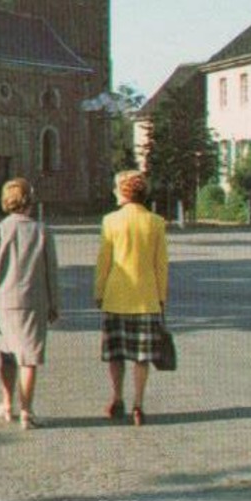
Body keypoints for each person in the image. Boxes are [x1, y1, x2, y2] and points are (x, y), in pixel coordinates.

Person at [0, 177, 60, 429]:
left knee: (7, 355)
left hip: (3, 304)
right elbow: (51, 272)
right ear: (29, 201)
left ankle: (7, 404)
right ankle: (27, 411)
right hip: (34, 302)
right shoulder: (42, 231)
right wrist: (54, 304)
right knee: (29, 359)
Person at [94, 169, 169, 427]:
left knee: (116, 354)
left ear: (125, 192)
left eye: (117, 188)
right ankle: (138, 404)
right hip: (146, 298)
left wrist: (99, 291)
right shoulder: (156, 222)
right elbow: (161, 265)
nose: (114, 192)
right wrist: (162, 297)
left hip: (115, 297)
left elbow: (104, 261)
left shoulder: (110, 221)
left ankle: (117, 397)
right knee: (141, 356)